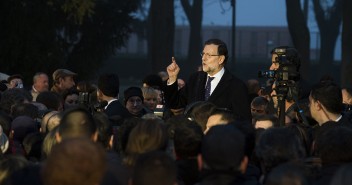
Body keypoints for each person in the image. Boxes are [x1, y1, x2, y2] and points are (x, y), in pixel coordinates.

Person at [165, 38, 251, 121]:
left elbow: (243, 121)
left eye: (208, 55)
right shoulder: (195, 79)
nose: (203, 58)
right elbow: (175, 104)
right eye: (203, 54)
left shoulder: (237, 86)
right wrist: (172, 78)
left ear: (221, 59)